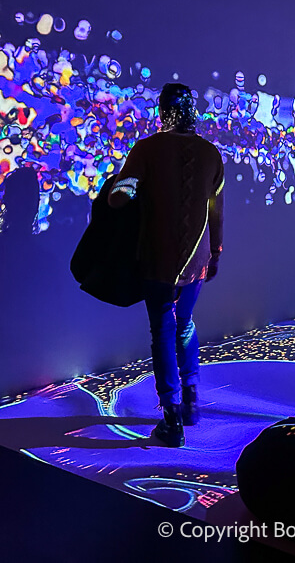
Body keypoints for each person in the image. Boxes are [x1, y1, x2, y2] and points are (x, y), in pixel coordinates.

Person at [108, 83, 224, 446]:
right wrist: (216, 251)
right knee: (185, 323)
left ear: (163, 111)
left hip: (156, 257)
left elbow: (120, 198)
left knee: (162, 330)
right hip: (197, 259)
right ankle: (191, 402)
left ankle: (170, 419)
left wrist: (116, 192)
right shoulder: (211, 153)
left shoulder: (146, 149)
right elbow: (215, 212)